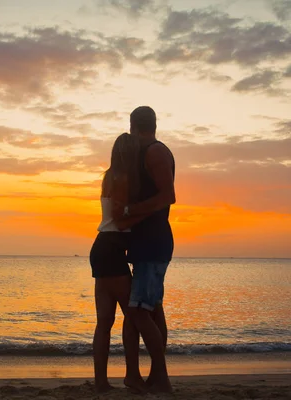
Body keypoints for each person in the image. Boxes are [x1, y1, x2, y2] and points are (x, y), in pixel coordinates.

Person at [115, 106, 176, 393]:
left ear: (133, 127)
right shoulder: (147, 154)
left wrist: (130, 211)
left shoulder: (154, 152)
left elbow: (168, 196)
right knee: (151, 310)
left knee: (139, 311)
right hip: (146, 243)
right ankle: (146, 375)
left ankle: (161, 376)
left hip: (153, 242)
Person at [89, 132, 149, 393]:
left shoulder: (109, 175)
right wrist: (148, 212)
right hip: (111, 248)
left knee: (104, 322)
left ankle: (101, 382)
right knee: (134, 316)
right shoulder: (123, 177)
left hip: (102, 246)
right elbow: (120, 218)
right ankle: (132, 376)